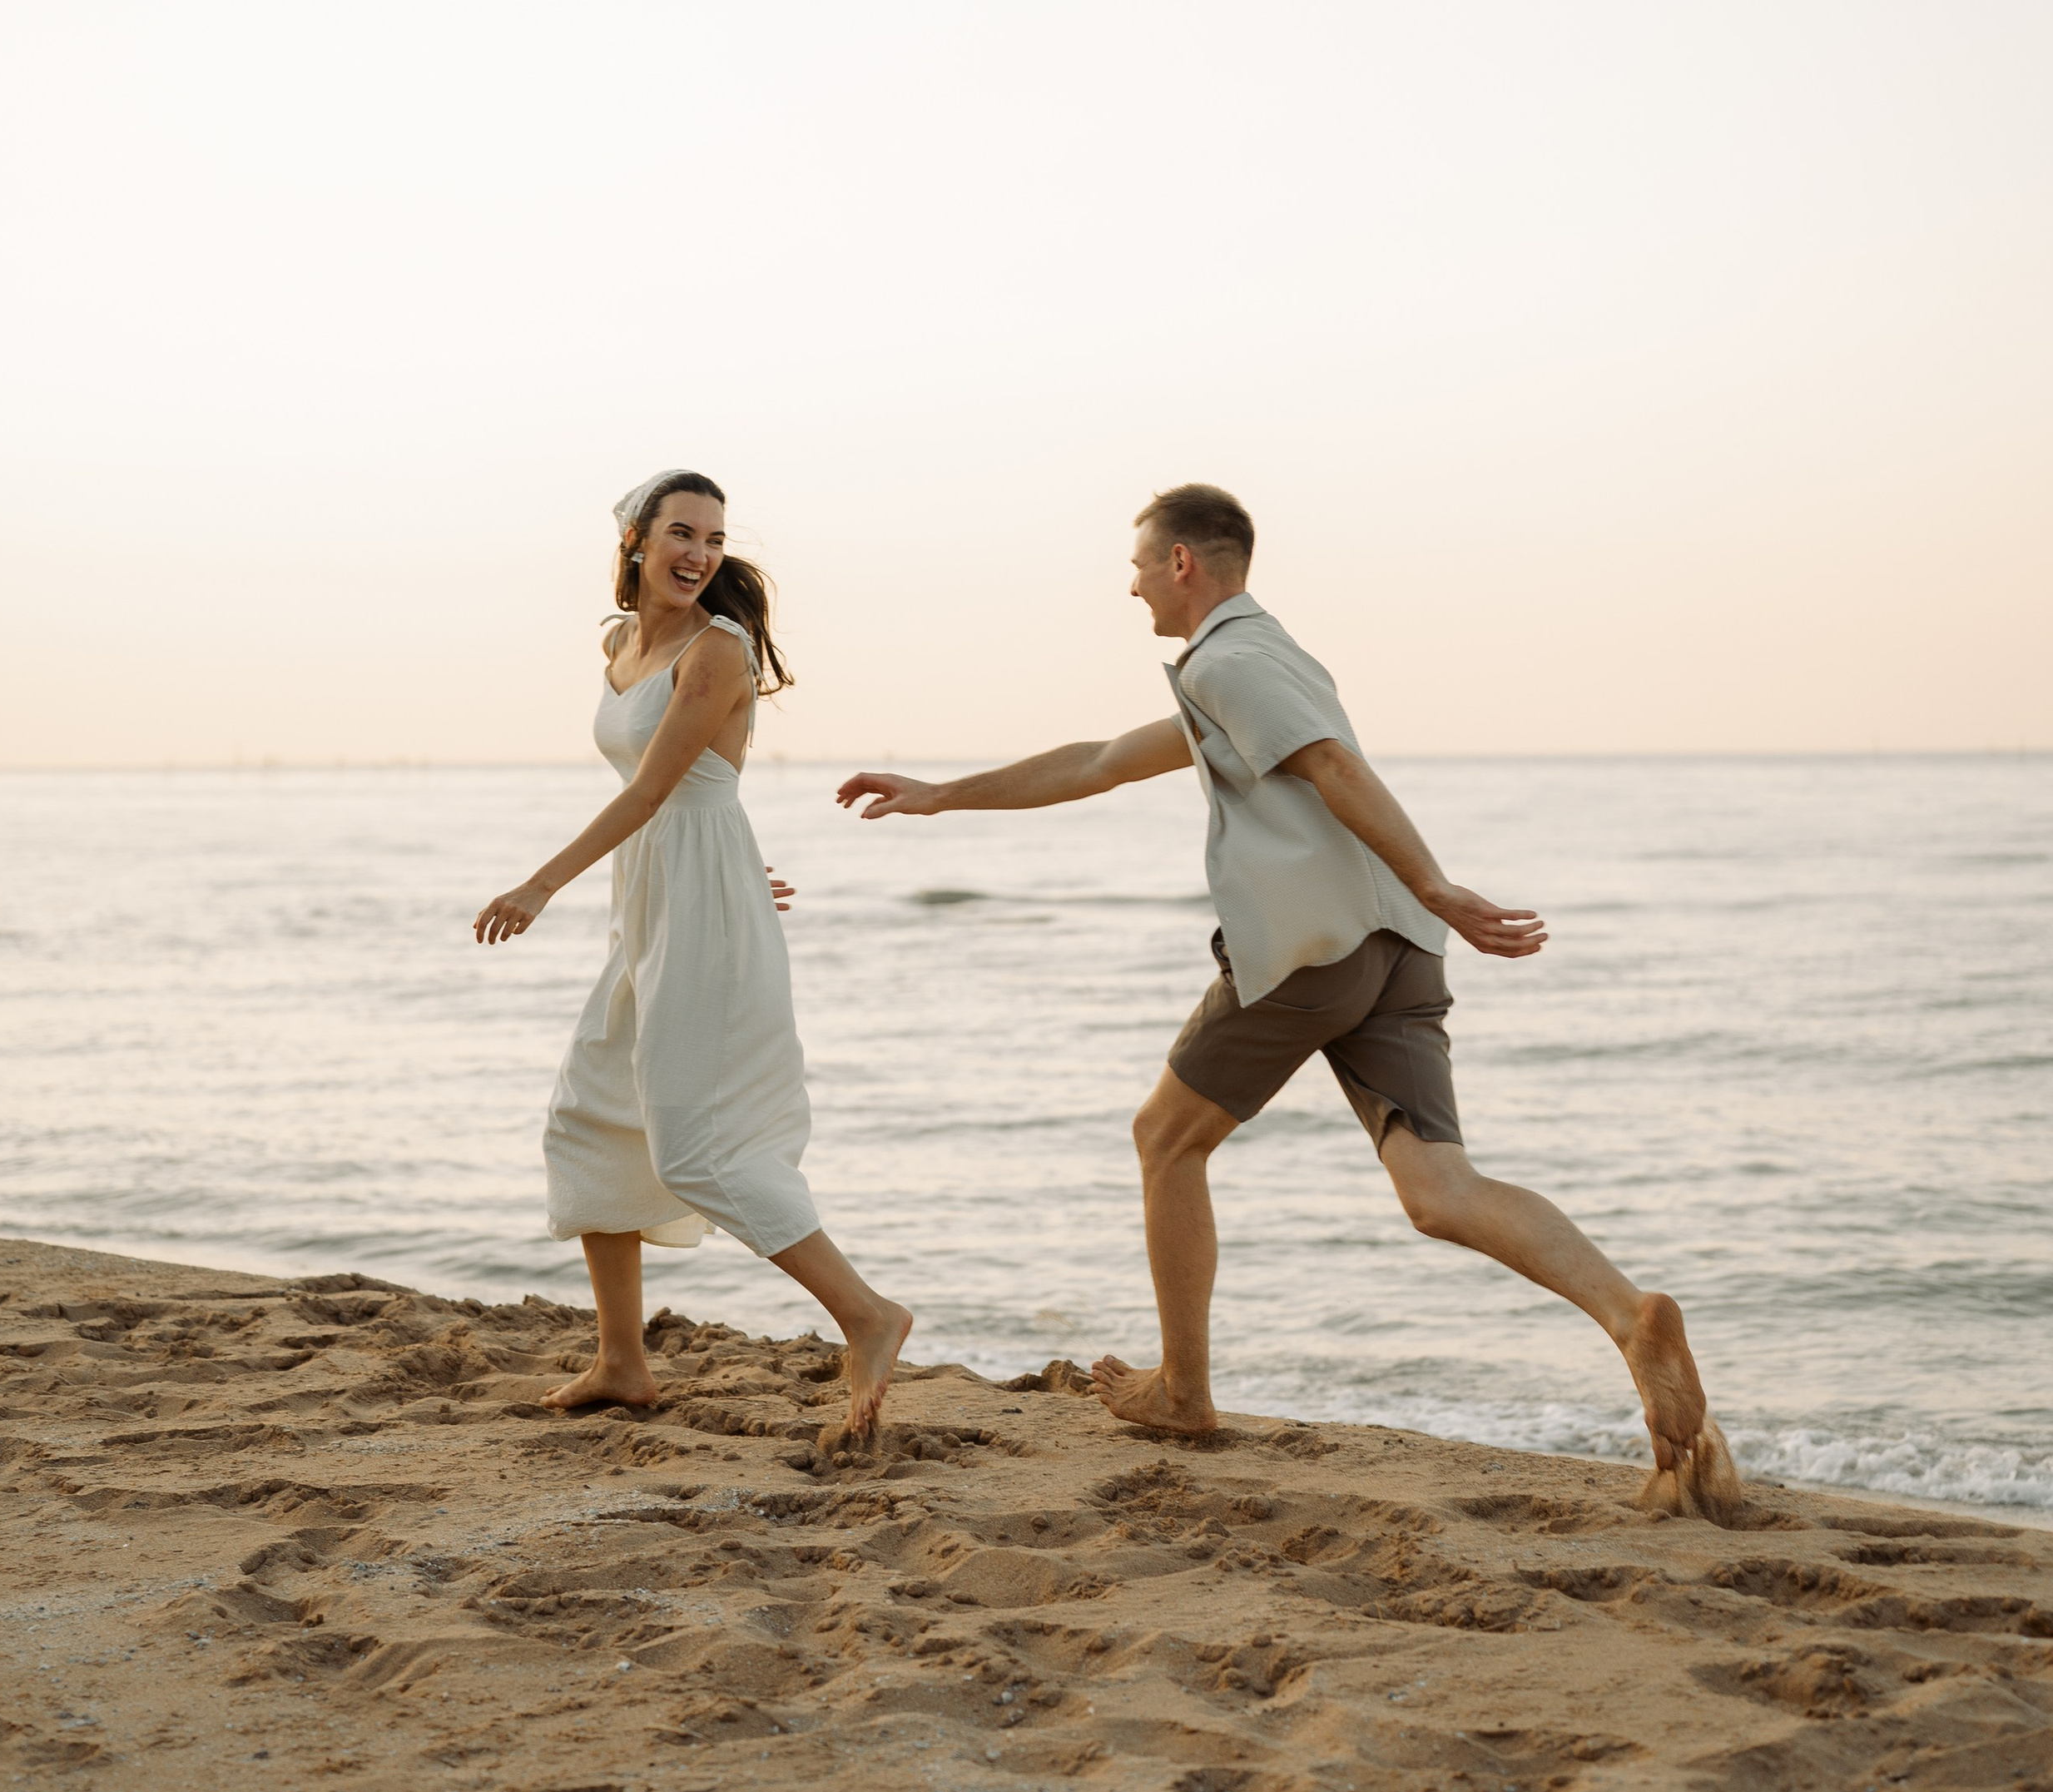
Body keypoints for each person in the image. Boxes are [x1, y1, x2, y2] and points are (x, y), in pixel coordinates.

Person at [837, 482, 1738, 1521]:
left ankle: (1182, 1392)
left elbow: (1329, 765)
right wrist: (942, 791)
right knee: (1439, 1190)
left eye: (1138, 564)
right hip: (1395, 944)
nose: (1128, 584)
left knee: (1164, 1138)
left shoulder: (1232, 661)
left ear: (1183, 563)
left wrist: (1442, 878)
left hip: (1318, 947)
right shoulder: (1260, 658)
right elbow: (1099, 762)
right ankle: (1631, 1316)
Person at [476, 470, 910, 1434]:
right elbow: (678, 795)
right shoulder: (620, 642)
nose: (699, 554)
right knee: (590, 1114)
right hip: (658, 893)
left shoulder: (718, 650)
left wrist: (541, 882)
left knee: (692, 1142)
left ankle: (868, 1315)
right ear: (635, 539)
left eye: (713, 539)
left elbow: (658, 791)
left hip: (699, 902)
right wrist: (718, 860)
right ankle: (622, 1362)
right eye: (681, 533)